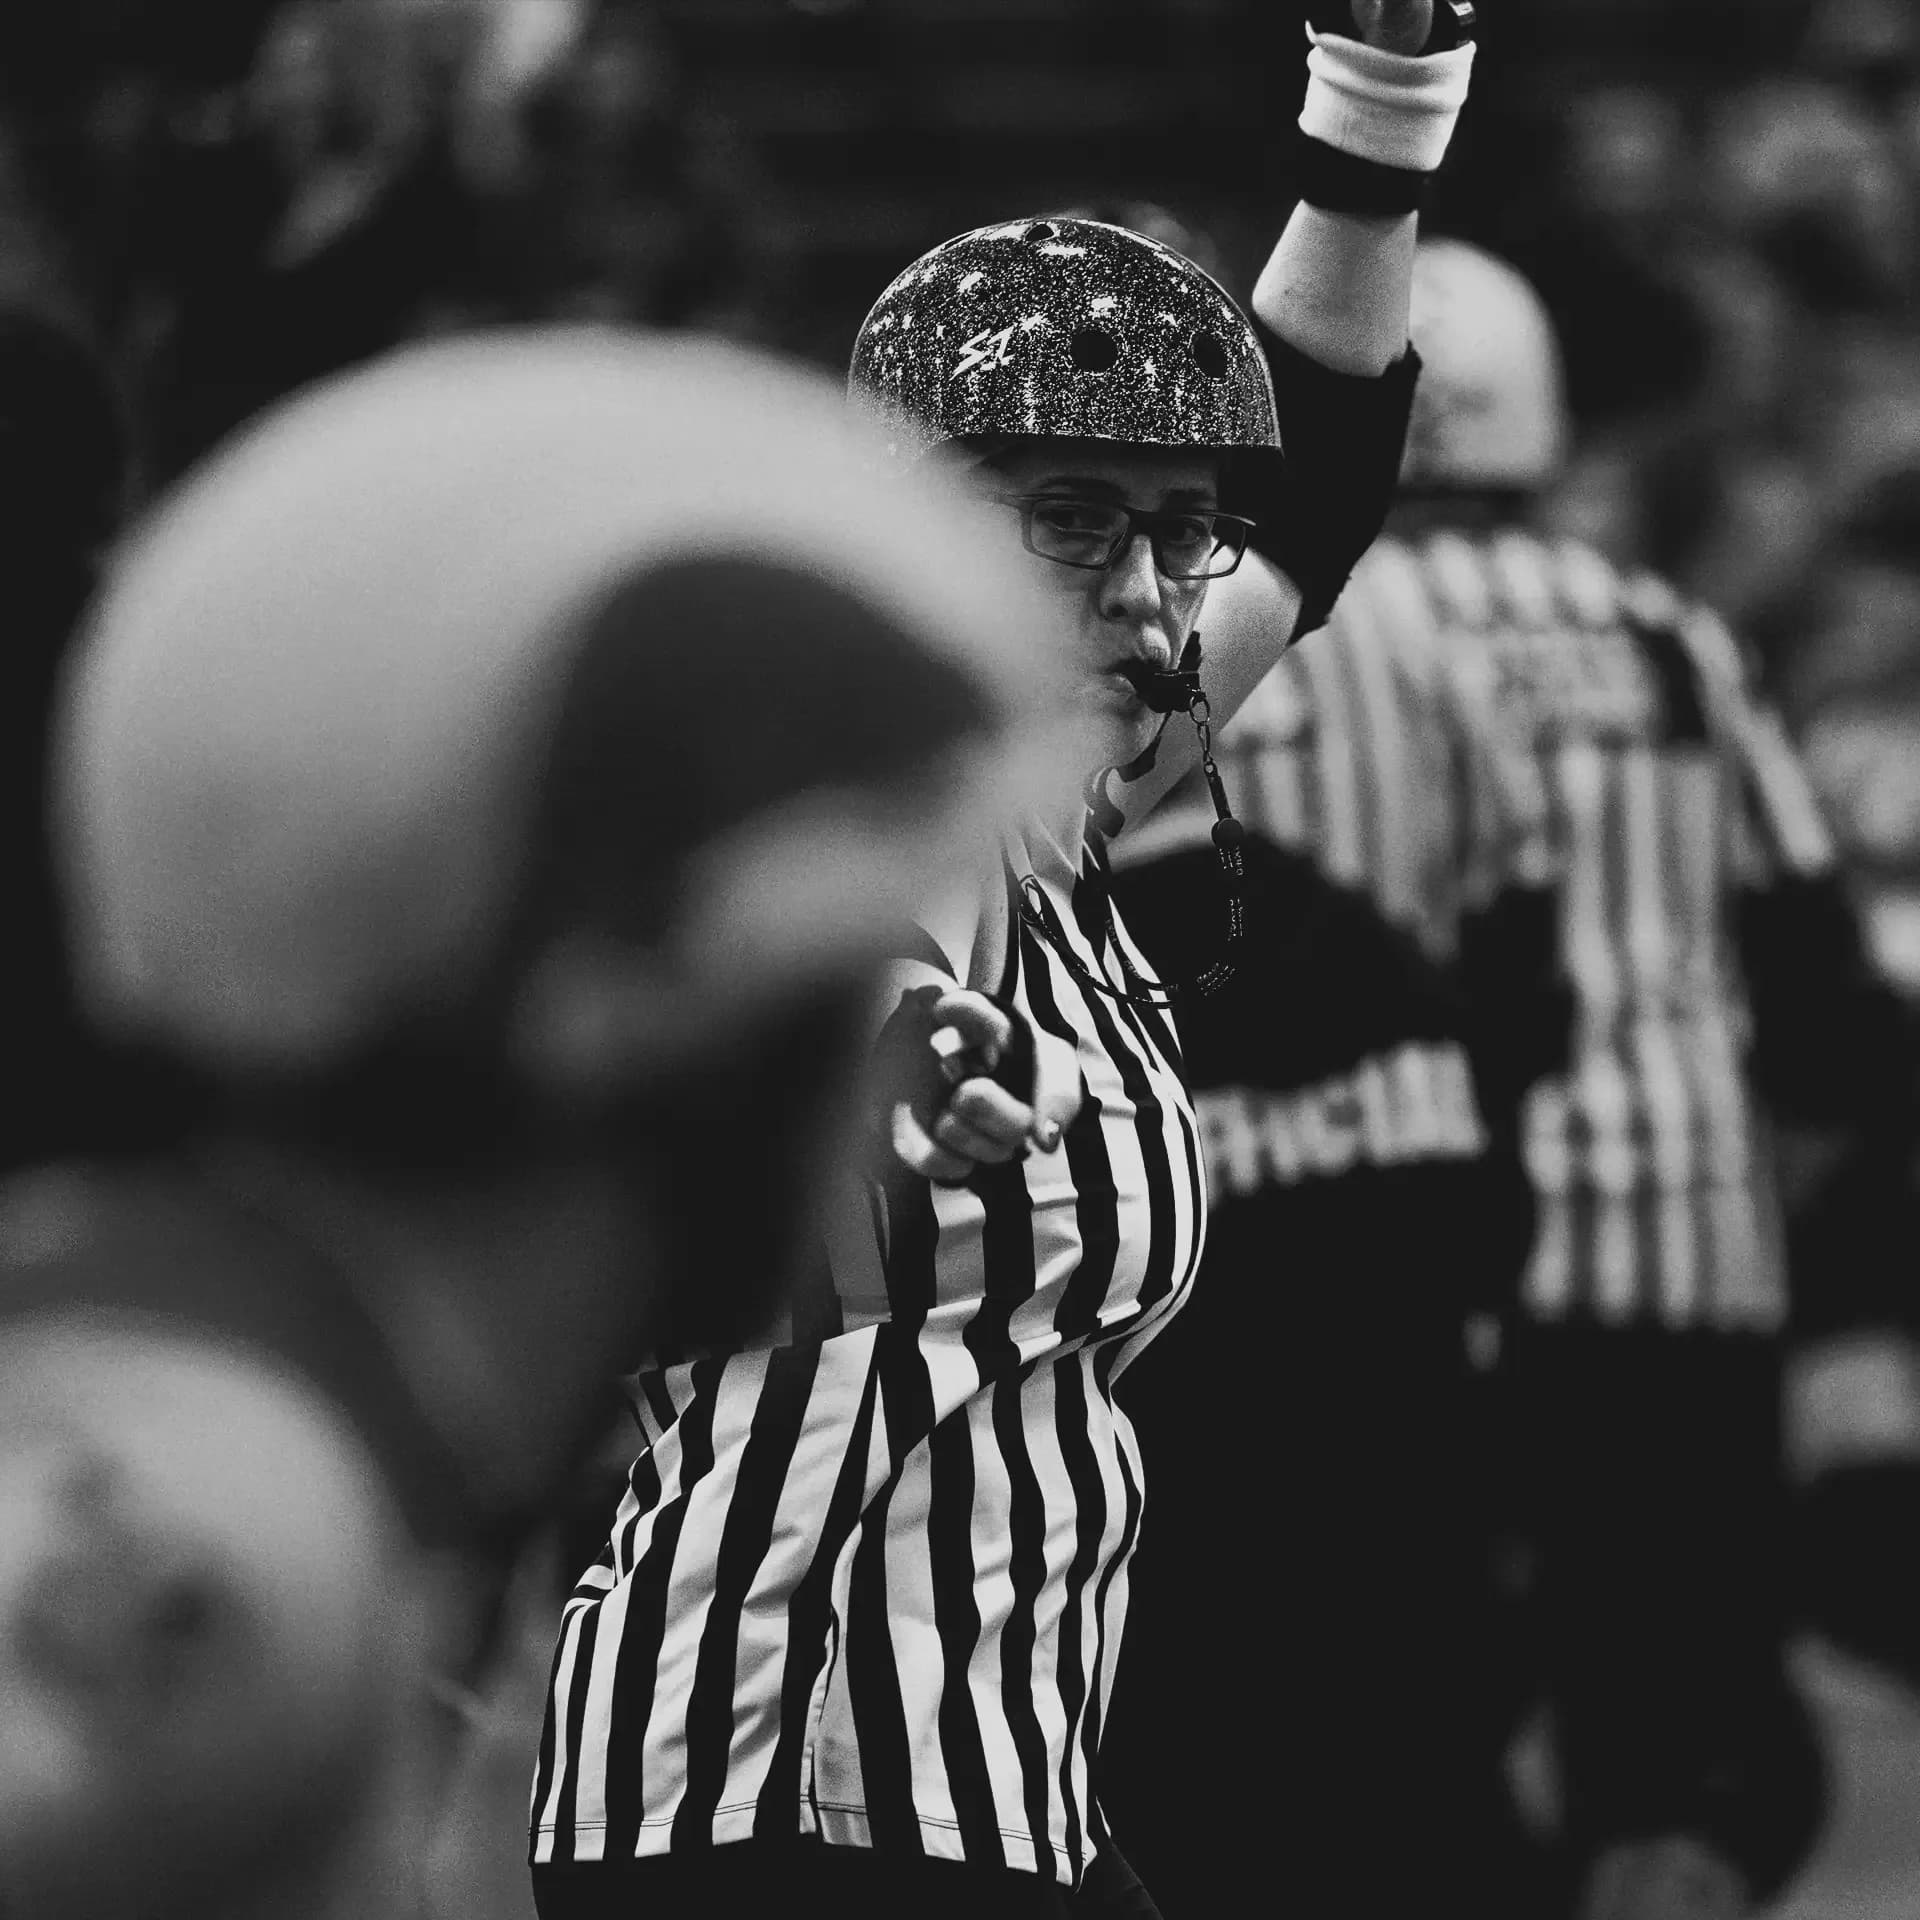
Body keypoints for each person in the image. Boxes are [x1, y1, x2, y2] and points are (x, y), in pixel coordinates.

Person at [528, 5, 1480, 1916]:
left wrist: (1373, 131)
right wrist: (826, 1092)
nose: (1142, 592)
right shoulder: (809, 808)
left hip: (991, 1787)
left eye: (1169, 537)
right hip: (775, 1803)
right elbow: (626, 1032)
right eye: (1066, 525)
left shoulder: (1042, 803)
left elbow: (1323, 479)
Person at [1, 328, 1061, 1919]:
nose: (901, 1082)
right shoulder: (215, 1519)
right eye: (855, 994)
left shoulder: (260, 1410)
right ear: (629, 1016)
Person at [1194, 235, 1919, 1918]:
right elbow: (1831, 1016)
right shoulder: (1665, 637)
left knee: (1377, 1759)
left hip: (1363, 1287)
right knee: (1684, 1756)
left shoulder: (1276, 645)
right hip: (1673, 1273)